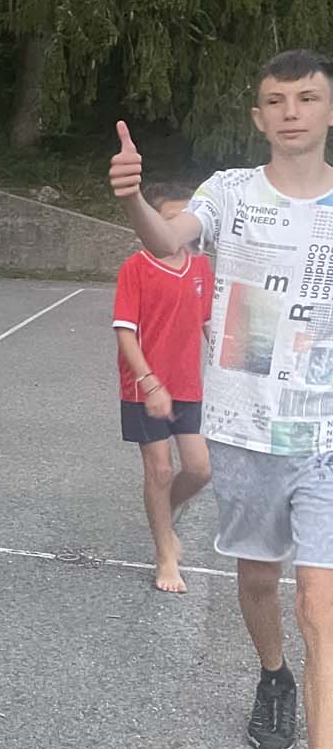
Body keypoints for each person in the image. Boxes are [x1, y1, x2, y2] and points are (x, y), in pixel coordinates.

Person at [109, 50, 333, 749]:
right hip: (242, 426)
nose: (291, 111)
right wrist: (133, 199)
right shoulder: (229, 193)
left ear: (328, 109)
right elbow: (168, 238)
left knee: (319, 601)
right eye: (275, 99)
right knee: (258, 584)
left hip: (323, 434)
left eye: (306, 97)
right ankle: (271, 675)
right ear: (257, 115)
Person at [112, 184, 214, 593]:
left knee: (200, 469)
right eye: (170, 219)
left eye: (186, 218)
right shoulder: (135, 267)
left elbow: (208, 323)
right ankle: (164, 554)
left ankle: (161, 516)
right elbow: (125, 332)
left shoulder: (201, 266)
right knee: (160, 469)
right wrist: (150, 382)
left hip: (188, 383)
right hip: (145, 387)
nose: (180, 227)